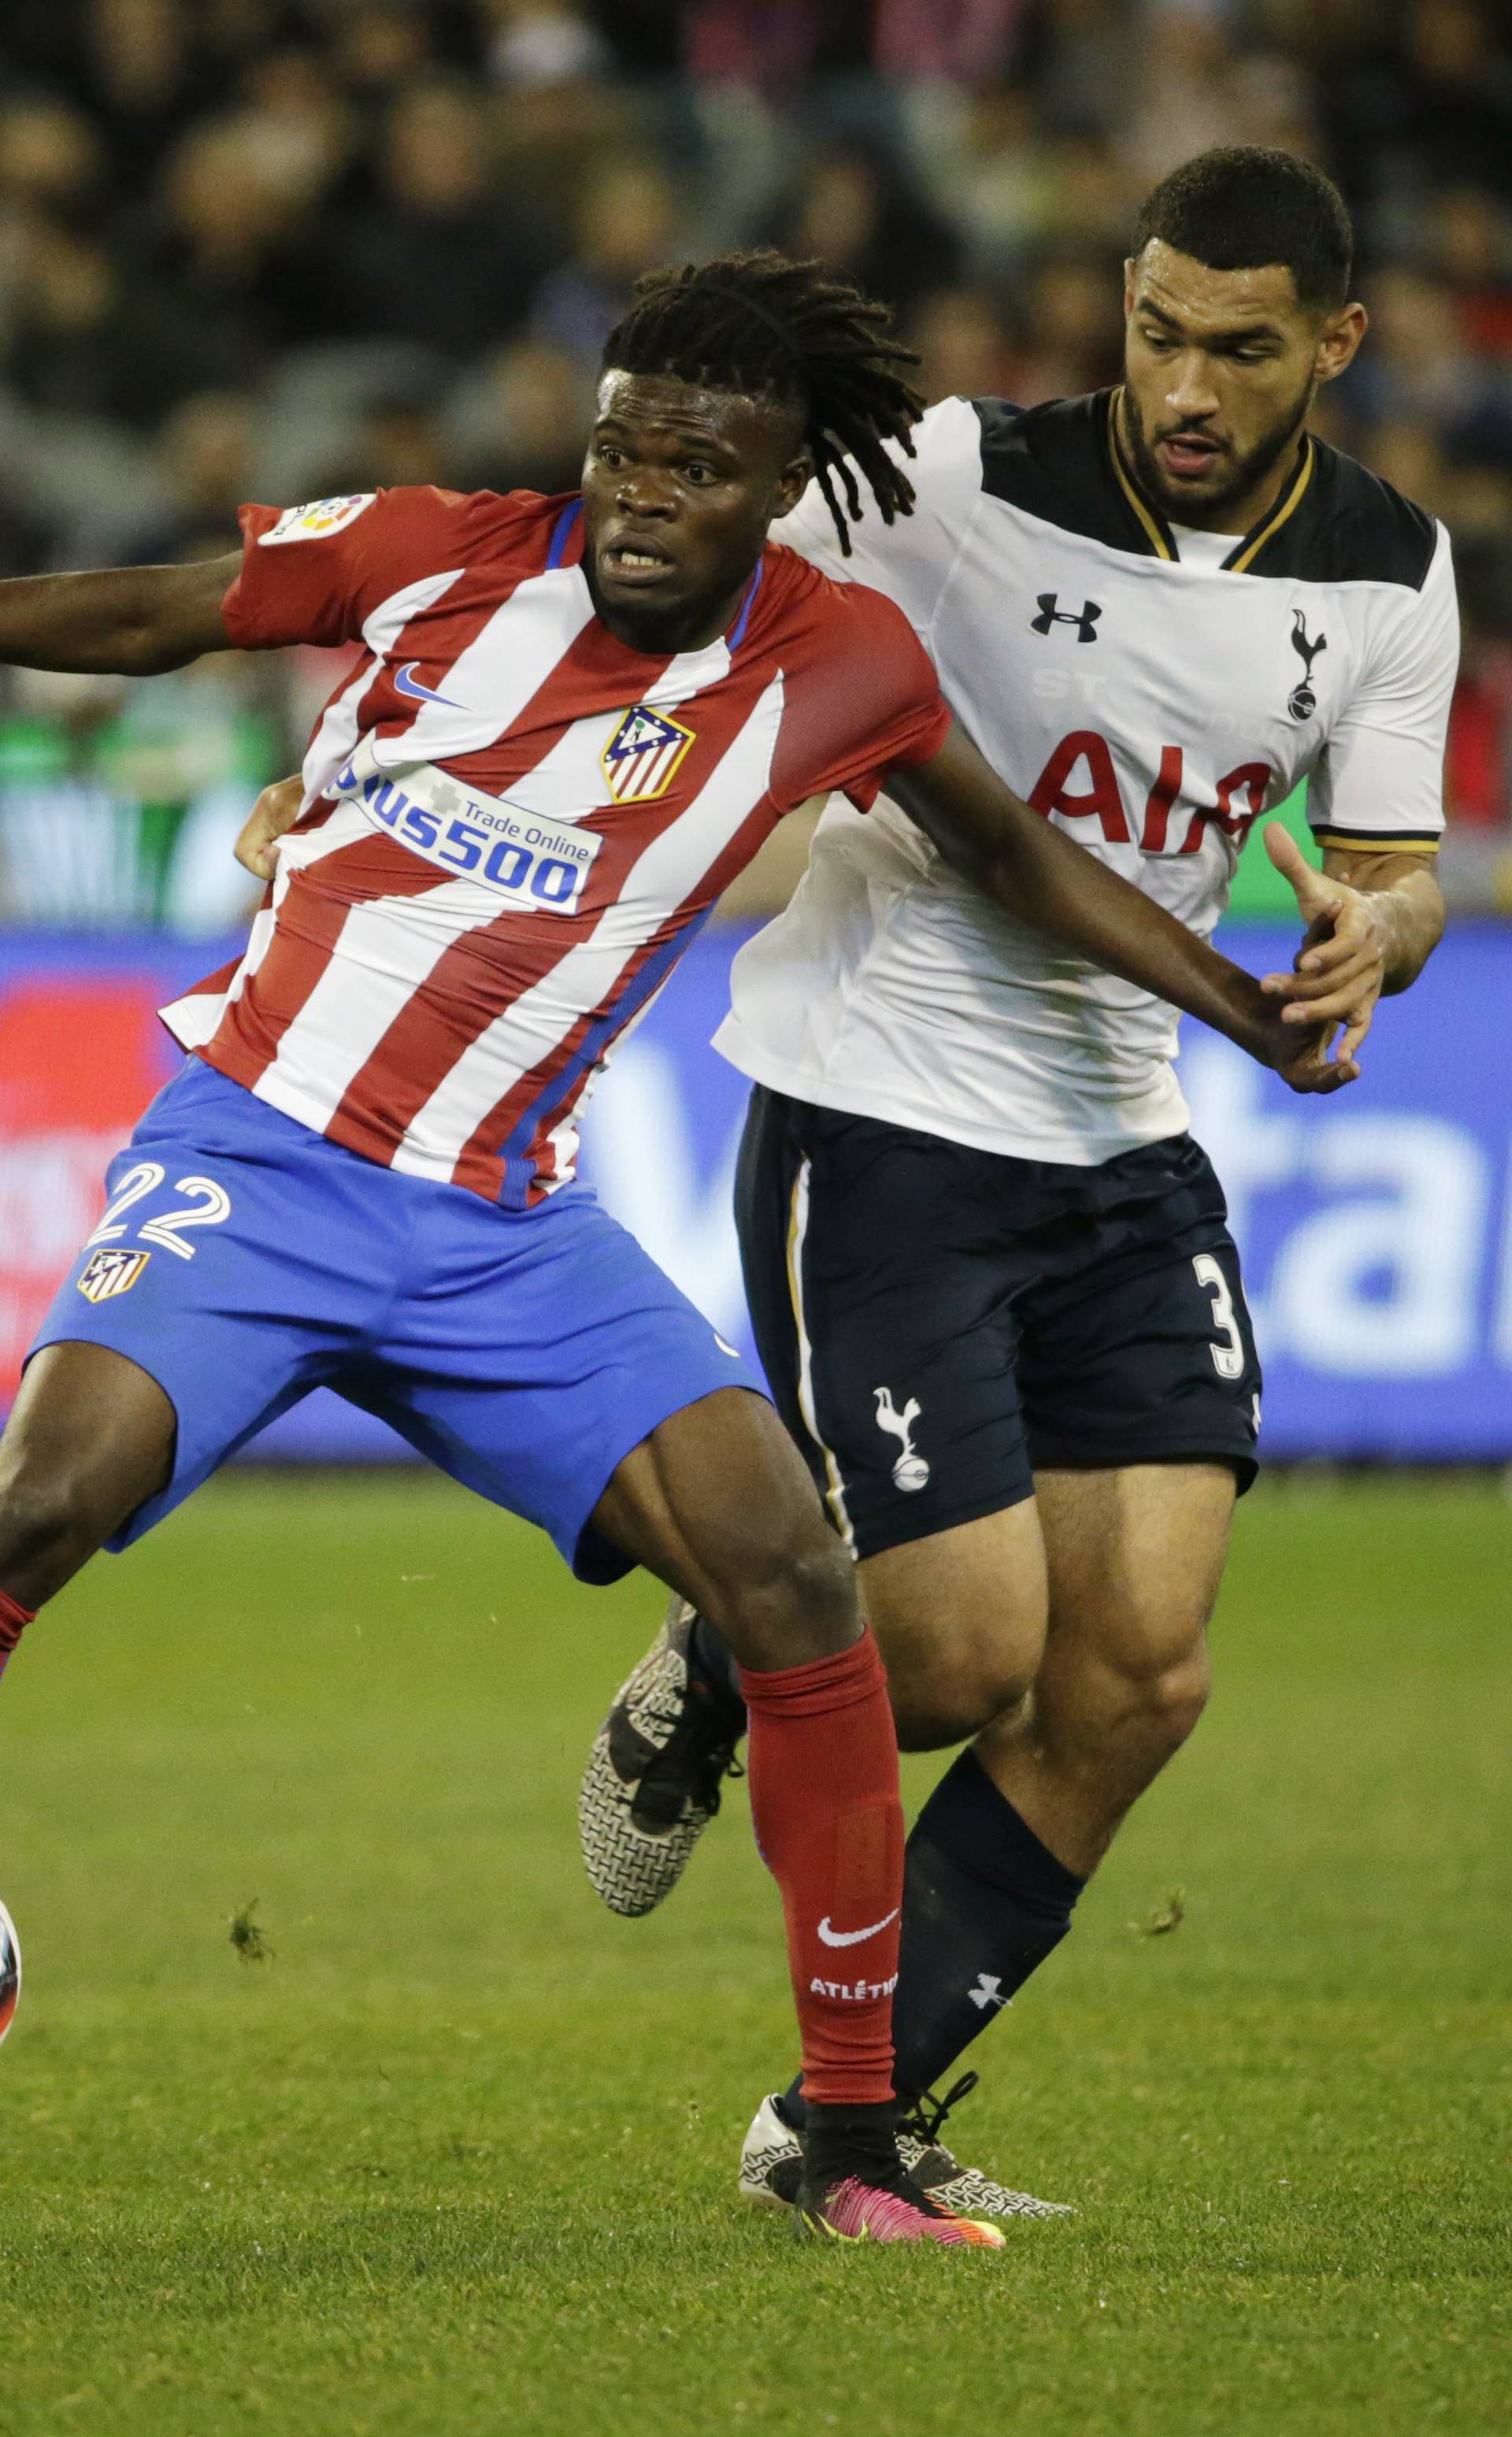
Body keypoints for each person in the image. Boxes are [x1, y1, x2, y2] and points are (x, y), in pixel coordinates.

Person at [0, 249, 1348, 2251]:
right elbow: (161, 610)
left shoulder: (841, 661)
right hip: (268, 1153)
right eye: (621, 447)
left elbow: (1007, 850)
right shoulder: (433, 551)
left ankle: (852, 2136)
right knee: (47, 1494)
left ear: (782, 478)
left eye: (697, 466)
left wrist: (1236, 1000)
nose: (639, 493)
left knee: (799, 1578)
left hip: (508, 1233)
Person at [576, 153, 1454, 2219]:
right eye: (1157, 331)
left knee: (1139, 1669)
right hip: (881, 1109)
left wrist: (1373, 938)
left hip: (1125, 1137)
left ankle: (839, 2125)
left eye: (1240, 348)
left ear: (1332, 343)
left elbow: (1399, 871)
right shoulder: (959, 474)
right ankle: (715, 1648)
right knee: (961, 1661)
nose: (1186, 384)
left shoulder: (1391, 573)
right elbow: (656, 568)